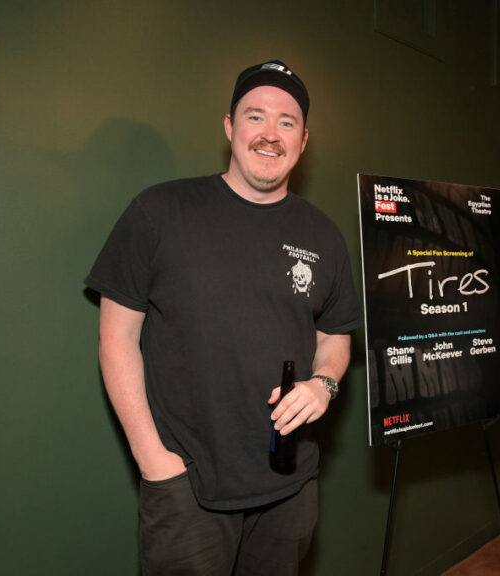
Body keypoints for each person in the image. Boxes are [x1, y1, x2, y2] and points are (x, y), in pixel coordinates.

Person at [85, 60, 362, 575]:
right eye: (255, 117)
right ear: (230, 127)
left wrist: (324, 384)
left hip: (291, 483)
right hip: (187, 485)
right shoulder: (160, 211)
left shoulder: (324, 235)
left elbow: (335, 337)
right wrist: (155, 461)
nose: (271, 134)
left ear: (304, 141)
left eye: (287, 122)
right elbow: (116, 336)